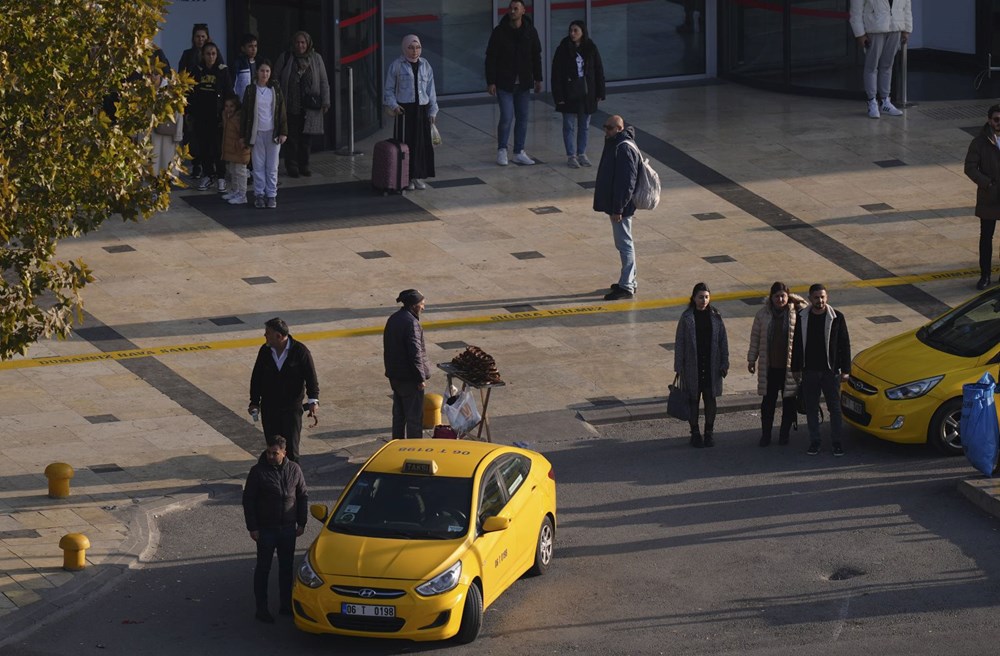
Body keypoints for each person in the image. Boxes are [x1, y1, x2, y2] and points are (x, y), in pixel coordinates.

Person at [242, 435, 308, 623]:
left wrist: (301, 522)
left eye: (275, 453)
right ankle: (261, 609)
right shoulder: (258, 472)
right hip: (266, 529)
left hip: (288, 529)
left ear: (284, 453)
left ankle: (286, 605)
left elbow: (302, 495)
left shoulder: (294, 469)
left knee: (286, 569)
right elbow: (249, 501)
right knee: (263, 568)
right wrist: (253, 527)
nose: (271, 456)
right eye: (269, 452)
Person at [791, 284, 851, 457]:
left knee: (835, 408)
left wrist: (846, 370)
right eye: (816, 297)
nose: (820, 301)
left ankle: (837, 442)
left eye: (823, 297)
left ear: (827, 297)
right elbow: (796, 344)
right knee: (811, 408)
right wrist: (795, 368)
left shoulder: (837, 317)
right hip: (809, 371)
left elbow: (844, 344)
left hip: (830, 372)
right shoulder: (803, 317)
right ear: (810, 298)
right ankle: (815, 441)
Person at [249, 317, 319, 461]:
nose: (265, 336)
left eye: (267, 333)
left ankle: (293, 479)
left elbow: (311, 377)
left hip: (291, 409)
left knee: (291, 449)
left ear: (278, 336)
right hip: (270, 408)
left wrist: (313, 400)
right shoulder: (265, 351)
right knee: (272, 448)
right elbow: (256, 377)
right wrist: (254, 401)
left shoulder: (300, 351)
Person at [747, 282, 808, 447]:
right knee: (768, 403)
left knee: (789, 403)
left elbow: (809, 311)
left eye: (783, 296)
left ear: (788, 296)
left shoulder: (796, 313)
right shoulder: (762, 315)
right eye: (777, 296)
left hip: (790, 369)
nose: (780, 299)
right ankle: (766, 435)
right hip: (770, 367)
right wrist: (752, 359)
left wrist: (797, 301)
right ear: (771, 297)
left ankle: (784, 435)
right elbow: (755, 339)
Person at [485, 0, 542, 167]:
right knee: (507, 117)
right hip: (505, 82)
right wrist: (491, 81)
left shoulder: (530, 31)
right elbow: (491, 58)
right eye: (510, 8)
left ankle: (518, 151)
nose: (512, 11)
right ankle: (502, 149)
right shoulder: (500, 32)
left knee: (523, 118)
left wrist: (538, 79)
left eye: (516, 8)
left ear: (523, 10)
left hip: (523, 83)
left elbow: (536, 56)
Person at [675, 283, 729, 448]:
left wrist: (724, 362)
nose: (703, 300)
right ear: (693, 298)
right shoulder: (686, 318)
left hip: (711, 364)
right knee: (693, 399)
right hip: (693, 365)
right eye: (700, 297)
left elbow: (723, 341)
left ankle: (709, 432)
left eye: (706, 297)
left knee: (710, 399)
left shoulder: (716, 316)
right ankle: (695, 432)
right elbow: (680, 343)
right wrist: (679, 366)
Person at [593, 114, 639, 301]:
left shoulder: (623, 148)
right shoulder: (615, 143)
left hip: (621, 206)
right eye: (605, 127)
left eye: (610, 128)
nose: (606, 130)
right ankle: (630, 281)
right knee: (624, 243)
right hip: (618, 204)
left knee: (625, 244)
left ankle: (627, 285)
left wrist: (618, 208)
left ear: (619, 128)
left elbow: (626, 183)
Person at [383, 34, 438, 191]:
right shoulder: (397, 66)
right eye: (411, 48)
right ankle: (405, 177)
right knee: (406, 144)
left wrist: (433, 111)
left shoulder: (425, 65)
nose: (415, 51)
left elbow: (431, 90)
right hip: (404, 112)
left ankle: (417, 176)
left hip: (421, 109)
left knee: (421, 144)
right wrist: (394, 105)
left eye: (418, 47)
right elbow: (389, 90)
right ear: (404, 48)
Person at [274, 31, 330, 178]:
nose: (300, 45)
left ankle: (304, 165)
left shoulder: (316, 58)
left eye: (303, 42)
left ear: (308, 43)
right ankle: (291, 166)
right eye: (298, 42)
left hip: (310, 107)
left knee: (306, 140)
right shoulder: (286, 57)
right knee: (291, 138)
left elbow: (324, 81)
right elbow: (275, 78)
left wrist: (326, 102)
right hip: (290, 105)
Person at [551, 20, 605, 169]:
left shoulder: (591, 48)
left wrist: (600, 91)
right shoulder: (563, 49)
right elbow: (556, 74)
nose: (572, 33)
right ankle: (571, 155)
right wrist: (558, 97)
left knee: (584, 125)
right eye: (571, 31)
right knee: (568, 125)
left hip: (587, 92)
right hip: (569, 92)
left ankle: (582, 153)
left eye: (576, 31)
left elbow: (598, 70)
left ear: (582, 32)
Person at [849, 0, 912, 119]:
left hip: (895, 27)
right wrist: (860, 34)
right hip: (875, 27)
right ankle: (872, 101)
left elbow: (906, 6)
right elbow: (856, 11)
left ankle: (885, 101)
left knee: (887, 66)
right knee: (871, 66)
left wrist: (907, 29)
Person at [383, 289, 431, 439]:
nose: (423, 307)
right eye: (421, 304)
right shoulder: (411, 323)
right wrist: (420, 378)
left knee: (399, 415)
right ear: (414, 305)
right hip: (410, 378)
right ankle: (414, 448)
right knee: (414, 418)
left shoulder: (394, 318)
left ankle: (396, 445)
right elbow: (415, 353)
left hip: (395, 376)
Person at [241, 60, 288, 209]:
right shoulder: (250, 90)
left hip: (272, 132)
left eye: (267, 71)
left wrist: (283, 131)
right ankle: (259, 194)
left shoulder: (274, 89)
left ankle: (271, 195)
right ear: (257, 72)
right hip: (257, 132)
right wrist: (244, 135)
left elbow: (281, 111)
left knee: (272, 166)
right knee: (258, 165)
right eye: (262, 71)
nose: (264, 74)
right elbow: (245, 114)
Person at [964, 104, 1000, 290]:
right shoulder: (980, 142)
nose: (999, 123)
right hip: (989, 197)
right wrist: (987, 184)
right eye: (996, 119)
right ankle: (985, 275)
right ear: (989, 120)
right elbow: (970, 167)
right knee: (986, 238)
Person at [190, 42, 231, 192]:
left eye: (213, 53)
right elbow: (191, 92)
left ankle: (221, 177)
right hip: (201, 115)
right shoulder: (197, 70)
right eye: (208, 53)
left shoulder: (222, 70)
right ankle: (208, 175)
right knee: (204, 147)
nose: (211, 57)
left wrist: (227, 113)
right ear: (202, 55)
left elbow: (228, 93)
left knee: (218, 147)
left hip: (217, 116)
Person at [149, 68, 183, 176]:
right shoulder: (143, 89)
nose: (152, 77)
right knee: (149, 167)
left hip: (167, 135)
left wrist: (178, 135)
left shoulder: (171, 90)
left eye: (155, 74)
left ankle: (163, 188)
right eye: (150, 74)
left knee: (165, 165)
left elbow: (179, 113)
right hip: (148, 134)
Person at [221, 95, 251, 205]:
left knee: (241, 172)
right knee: (233, 170)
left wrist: (244, 143)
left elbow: (244, 132)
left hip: (240, 149)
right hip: (232, 149)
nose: (229, 109)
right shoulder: (226, 116)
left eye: (231, 106)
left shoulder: (238, 118)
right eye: (226, 106)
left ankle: (242, 195)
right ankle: (235, 190)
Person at [233, 33, 259, 100]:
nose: (253, 49)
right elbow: (233, 84)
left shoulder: (260, 62)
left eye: (255, 46)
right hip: (241, 101)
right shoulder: (238, 63)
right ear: (243, 48)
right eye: (250, 46)